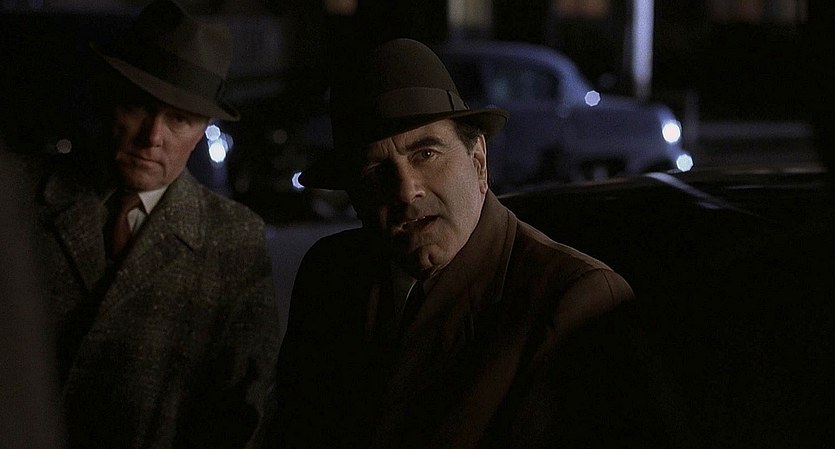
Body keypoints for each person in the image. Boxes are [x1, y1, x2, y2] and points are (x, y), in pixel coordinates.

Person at [269, 38, 680, 449]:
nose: (406, 190)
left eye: (426, 154)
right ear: (356, 196)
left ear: (478, 161)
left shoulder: (571, 298)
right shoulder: (331, 274)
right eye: (376, 171)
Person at [3, 1, 280, 448]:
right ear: (110, 98)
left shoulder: (233, 238)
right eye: (139, 106)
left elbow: (239, 413)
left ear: (202, 129)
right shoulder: (22, 197)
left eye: (179, 119)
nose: (152, 137)